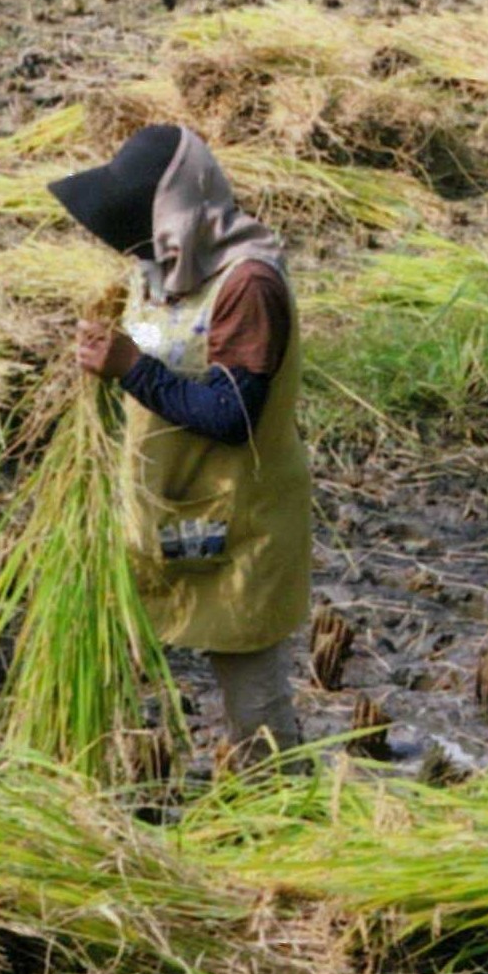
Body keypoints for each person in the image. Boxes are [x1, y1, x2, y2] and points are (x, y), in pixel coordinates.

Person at [45, 120, 315, 766]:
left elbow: (229, 414)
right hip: (154, 504)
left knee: (252, 702)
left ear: (177, 211)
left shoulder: (246, 284)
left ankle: (284, 815)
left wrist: (129, 367)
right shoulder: (159, 269)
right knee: (105, 656)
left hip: (234, 519)